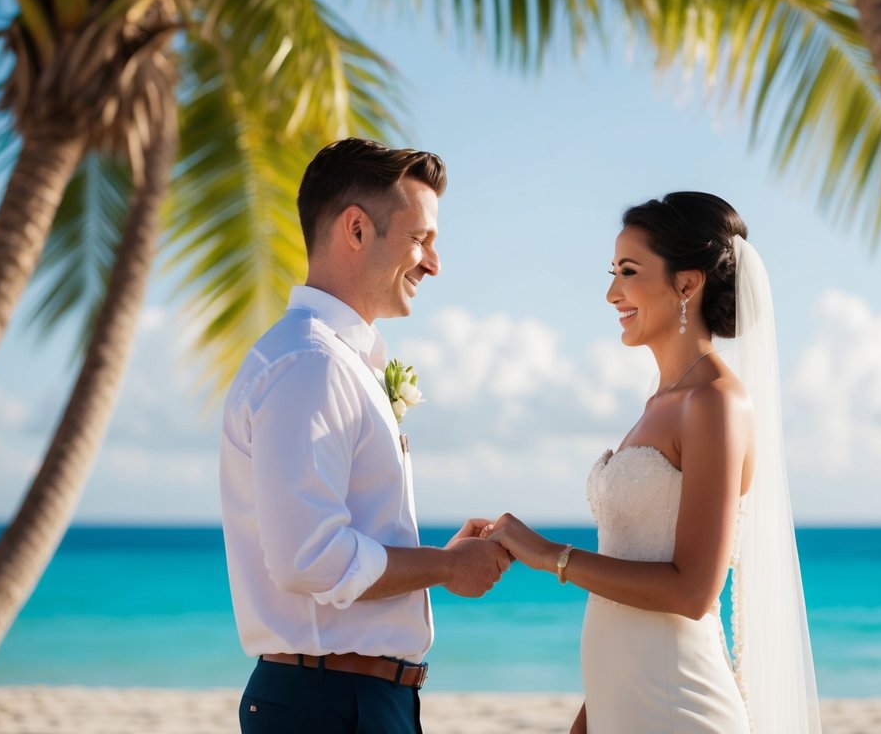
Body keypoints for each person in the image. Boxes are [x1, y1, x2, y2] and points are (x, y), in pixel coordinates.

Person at [485, 192, 821, 733]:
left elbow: (692, 592)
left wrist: (547, 554)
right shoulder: (657, 406)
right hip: (623, 707)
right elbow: (631, 568)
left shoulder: (715, 402)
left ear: (687, 284)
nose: (612, 292)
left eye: (629, 271)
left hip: (680, 706)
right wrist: (590, 713)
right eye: (613, 272)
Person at [220, 138, 511, 733]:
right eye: (420, 239)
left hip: (350, 699)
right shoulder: (310, 364)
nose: (434, 263)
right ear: (356, 229)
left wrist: (443, 561)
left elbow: (338, 540)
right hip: (329, 704)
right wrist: (446, 569)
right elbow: (310, 560)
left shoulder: (335, 361)